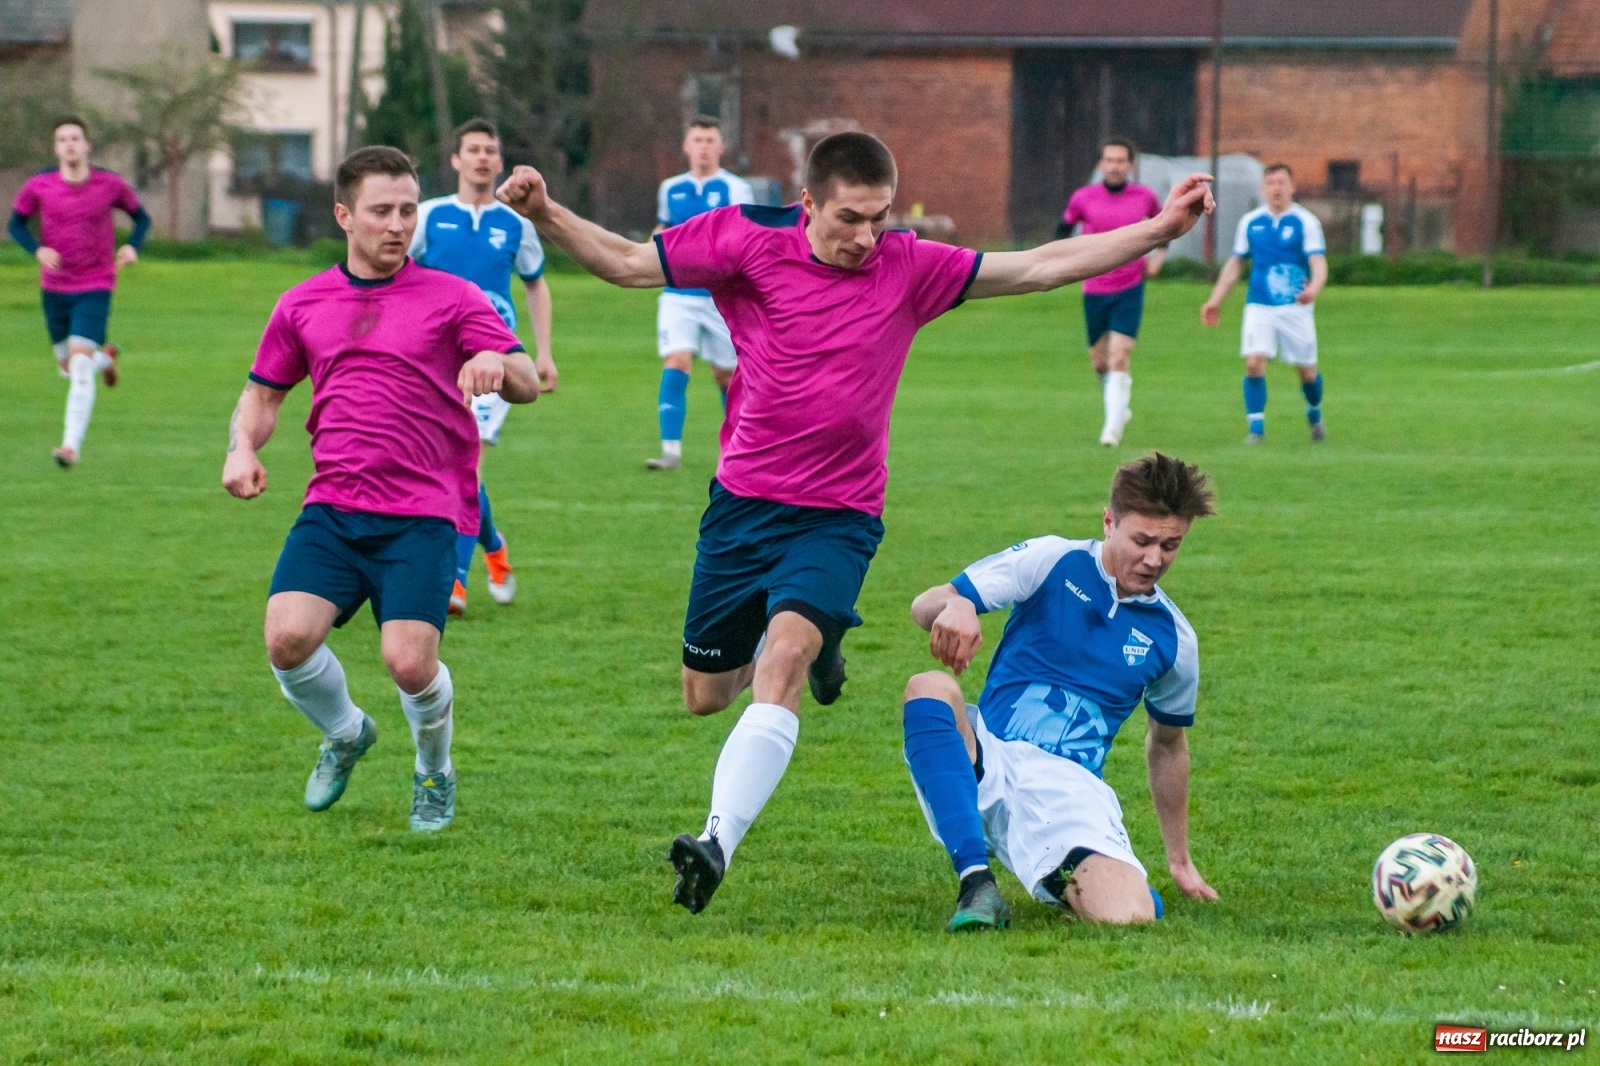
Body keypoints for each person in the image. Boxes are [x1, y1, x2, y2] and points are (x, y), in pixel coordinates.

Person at [494, 131, 1214, 914]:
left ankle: (715, 842)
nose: (868, 237)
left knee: (784, 660)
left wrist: (1157, 231)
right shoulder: (744, 238)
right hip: (743, 508)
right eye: (850, 219)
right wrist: (546, 213)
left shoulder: (908, 266)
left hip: (838, 515)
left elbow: (1038, 266)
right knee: (706, 694)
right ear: (808, 203)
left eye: (881, 218)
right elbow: (630, 263)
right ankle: (817, 639)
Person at [222, 147, 539, 832]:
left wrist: (494, 357)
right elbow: (262, 395)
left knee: (408, 664)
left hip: (424, 513)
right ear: (344, 215)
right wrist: (241, 448)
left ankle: (434, 772)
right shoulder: (302, 303)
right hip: (334, 507)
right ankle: (345, 732)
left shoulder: (452, 297)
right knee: (286, 640)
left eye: (407, 211)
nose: (397, 225)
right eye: (381, 211)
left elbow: (526, 381)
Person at [901, 453, 1220, 932]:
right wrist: (957, 605)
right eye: (1142, 541)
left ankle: (1097, 875)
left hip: (1068, 793)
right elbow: (925, 604)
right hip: (989, 757)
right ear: (1109, 522)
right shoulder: (1053, 559)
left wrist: (1180, 860)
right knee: (928, 687)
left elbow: (1168, 745)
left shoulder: (1175, 640)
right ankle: (976, 884)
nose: (1155, 559)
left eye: (1171, 545)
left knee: (1129, 917)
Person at [410, 117, 559, 616]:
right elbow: (396, 275)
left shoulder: (517, 224)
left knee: (465, 468)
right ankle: (493, 545)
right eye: (472, 149)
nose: (481, 157)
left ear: (499, 162)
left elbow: (535, 284)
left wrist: (543, 352)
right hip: (434, 363)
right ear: (456, 159)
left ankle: (454, 582)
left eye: (489, 150)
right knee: (445, 468)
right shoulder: (428, 217)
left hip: (495, 360)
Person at [8, 116, 151, 468]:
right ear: (56, 148)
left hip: (96, 285)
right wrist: (37, 250)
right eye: (62, 139)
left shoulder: (110, 184)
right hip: (55, 288)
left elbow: (142, 218)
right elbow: (16, 224)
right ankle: (107, 359)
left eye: (75, 138)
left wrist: (132, 246)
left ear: (87, 146)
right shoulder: (39, 185)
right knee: (67, 367)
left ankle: (70, 446)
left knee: (80, 366)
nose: (69, 144)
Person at [646, 117, 754, 471]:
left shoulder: (736, 189)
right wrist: (651, 248)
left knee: (726, 376)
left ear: (720, 148)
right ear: (686, 146)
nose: (703, 147)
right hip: (678, 295)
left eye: (709, 140)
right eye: (697, 140)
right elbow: (664, 227)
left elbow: (745, 236)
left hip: (720, 298)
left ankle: (738, 453)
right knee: (677, 361)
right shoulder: (671, 188)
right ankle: (670, 453)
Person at [1200, 163, 1329, 444]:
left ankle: (1314, 413)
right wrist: (1215, 300)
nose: (1276, 188)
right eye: (1270, 183)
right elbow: (1236, 263)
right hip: (1259, 304)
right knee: (1254, 363)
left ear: (1292, 187)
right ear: (1263, 189)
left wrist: (1314, 289)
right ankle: (1256, 429)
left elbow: (1318, 262)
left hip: (1296, 306)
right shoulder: (1250, 222)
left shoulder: (1306, 222)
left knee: (1307, 372)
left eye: (1281, 182)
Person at [1057, 137, 1164, 447]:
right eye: (1109, 160)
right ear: (1101, 164)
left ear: (1130, 164)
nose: (1114, 166)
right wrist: (1067, 263)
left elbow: (1163, 226)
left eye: (1120, 161)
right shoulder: (1083, 197)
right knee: (1099, 362)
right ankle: (1118, 408)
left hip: (1130, 286)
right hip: (1094, 286)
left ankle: (1111, 429)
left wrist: (1159, 256)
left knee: (1120, 355)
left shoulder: (1145, 196)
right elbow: (1062, 230)